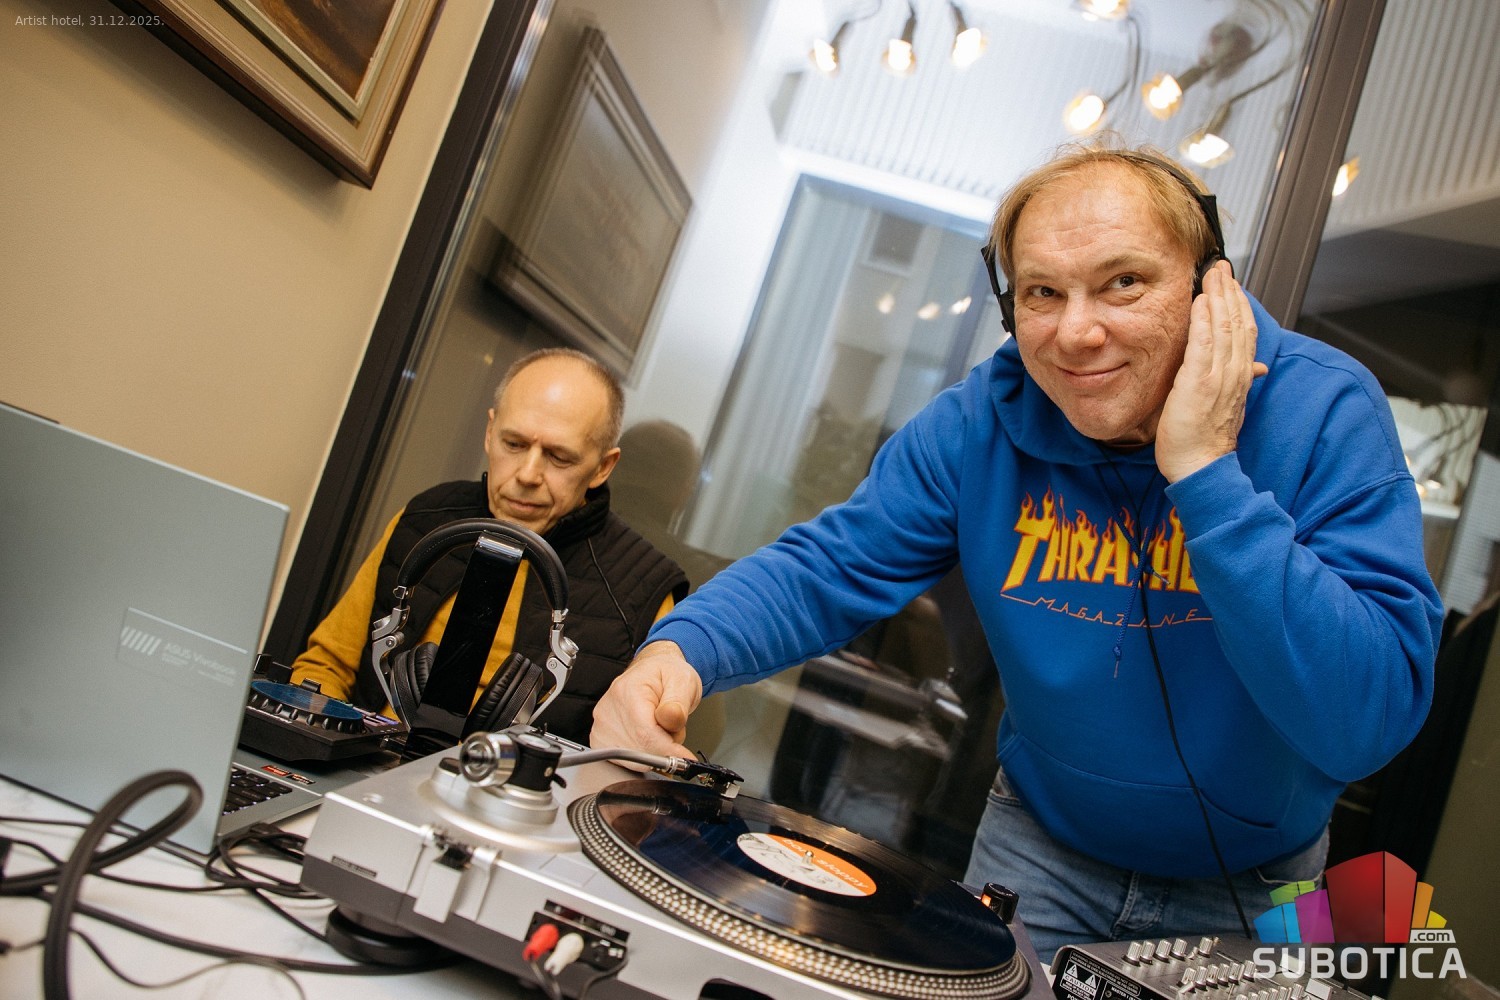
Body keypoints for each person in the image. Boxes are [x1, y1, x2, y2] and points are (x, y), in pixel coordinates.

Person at [590, 144, 1443, 961]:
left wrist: (1206, 474)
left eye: (1123, 282)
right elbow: (830, 567)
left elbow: (1366, 720)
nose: (1076, 333)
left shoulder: (1325, 411)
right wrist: (678, 653)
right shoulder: (981, 419)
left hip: (1257, 885)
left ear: (1207, 284)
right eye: (1042, 292)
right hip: (1041, 847)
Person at [290, 348, 688, 745]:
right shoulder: (425, 519)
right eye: (513, 444)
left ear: (603, 467)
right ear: (489, 432)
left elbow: (636, 750)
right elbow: (327, 664)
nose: (527, 474)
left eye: (558, 457)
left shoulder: (645, 588)